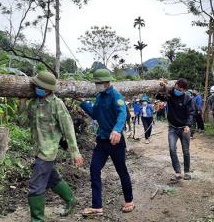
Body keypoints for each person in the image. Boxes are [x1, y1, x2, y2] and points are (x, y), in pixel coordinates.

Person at [18, 71, 84, 222]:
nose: (35, 88)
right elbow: (22, 123)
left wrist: (75, 152)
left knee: (35, 187)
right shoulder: (34, 103)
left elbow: (68, 128)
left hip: (47, 152)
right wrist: (22, 104)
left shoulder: (57, 104)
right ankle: (71, 200)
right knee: (52, 179)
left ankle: (37, 219)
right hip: (38, 149)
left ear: (47, 89)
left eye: (38, 86)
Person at [79, 69, 134, 215]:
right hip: (102, 140)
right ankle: (97, 206)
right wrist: (83, 103)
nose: (97, 85)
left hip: (115, 141)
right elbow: (95, 114)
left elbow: (123, 112)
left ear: (106, 83)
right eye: (96, 83)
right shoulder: (99, 97)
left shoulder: (116, 96)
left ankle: (129, 201)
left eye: (98, 83)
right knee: (94, 169)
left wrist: (117, 130)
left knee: (121, 171)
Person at [156, 78, 195, 182]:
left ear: (184, 90)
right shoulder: (170, 94)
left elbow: (191, 113)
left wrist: (188, 125)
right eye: (176, 88)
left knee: (186, 151)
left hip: (184, 128)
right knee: (172, 149)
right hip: (172, 127)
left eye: (180, 89)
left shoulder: (188, 98)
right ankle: (178, 173)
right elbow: (159, 96)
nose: (177, 90)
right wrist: (162, 87)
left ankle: (187, 172)